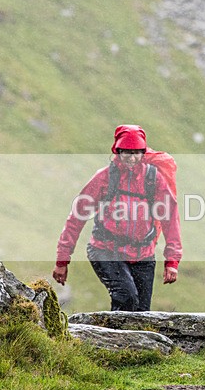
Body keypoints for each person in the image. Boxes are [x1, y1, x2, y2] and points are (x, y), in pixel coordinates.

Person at [52, 125, 182, 311]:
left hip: (143, 255)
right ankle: (111, 330)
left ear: (143, 153)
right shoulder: (104, 178)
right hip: (105, 250)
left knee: (142, 314)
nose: (132, 158)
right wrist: (62, 260)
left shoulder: (153, 179)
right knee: (126, 297)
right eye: (127, 152)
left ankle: (113, 330)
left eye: (136, 153)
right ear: (118, 151)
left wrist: (172, 261)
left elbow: (170, 219)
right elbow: (76, 217)